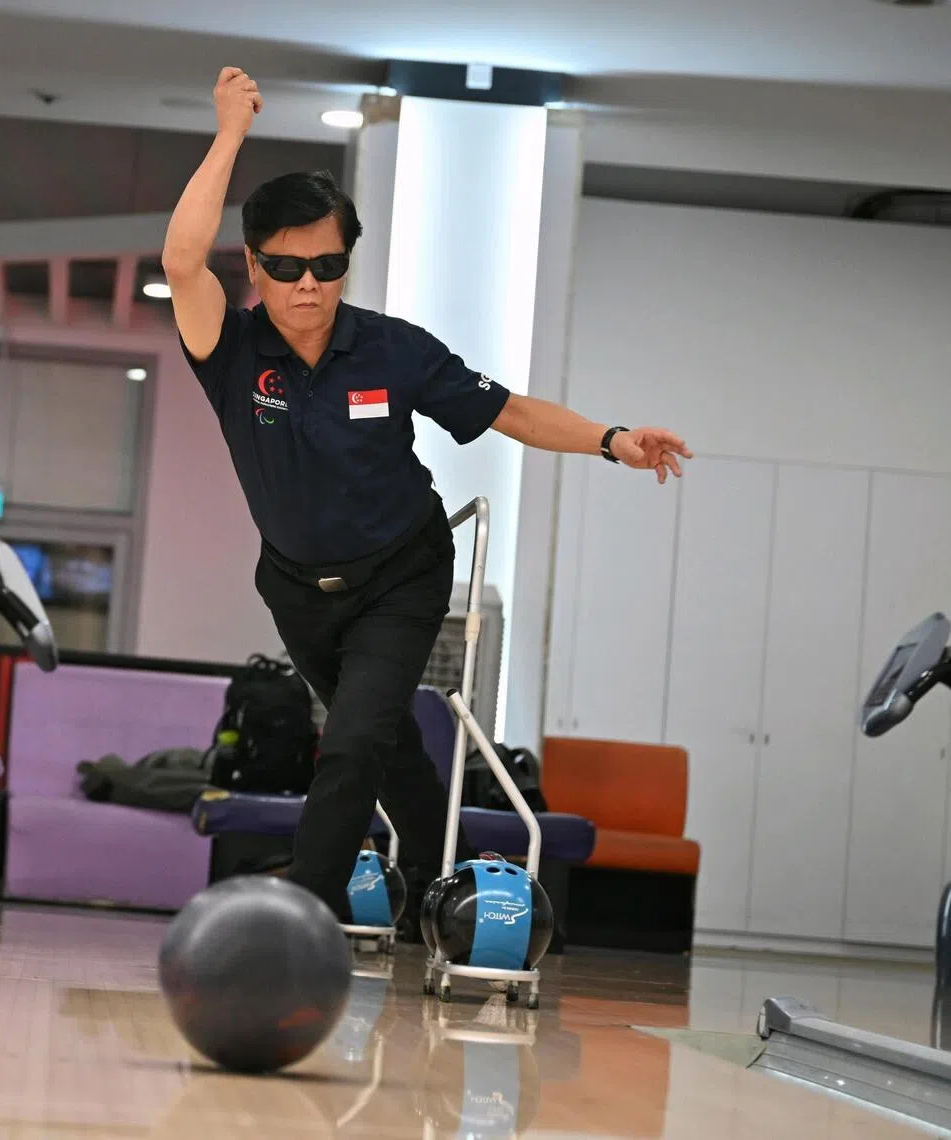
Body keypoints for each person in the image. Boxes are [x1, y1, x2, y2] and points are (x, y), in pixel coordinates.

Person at [163, 66, 692, 922]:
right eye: (288, 266)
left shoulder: (391, 350)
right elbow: (182, 259)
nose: (309, 284)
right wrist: (230, 132)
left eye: (328, 264)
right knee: (388, 738)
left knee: (355, 738)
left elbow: (510, 409)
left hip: (401, 574)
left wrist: (611, 440)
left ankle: (302, 914)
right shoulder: (231, 352)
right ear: (256, 266)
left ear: (347, 261)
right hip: (296, 588)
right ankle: (449, 871)